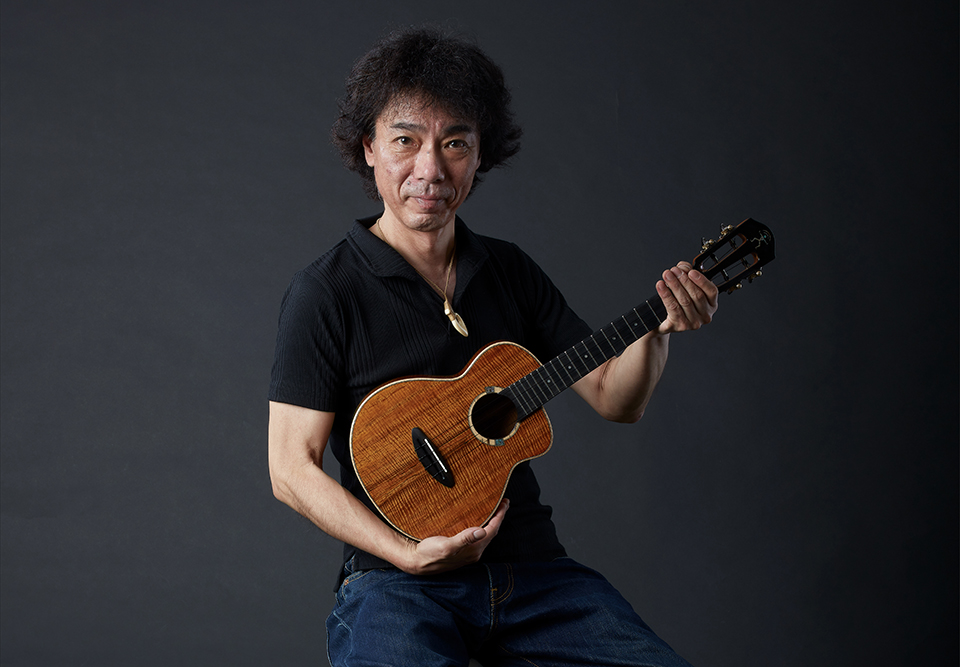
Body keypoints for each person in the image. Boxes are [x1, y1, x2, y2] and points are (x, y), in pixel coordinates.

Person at [268, 27, 717, 667]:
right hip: (396, 583)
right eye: (405, 141)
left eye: (455, 143)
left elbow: (616, 398)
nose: (430, 170)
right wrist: (405, 555)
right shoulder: (326, 291)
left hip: (533, 574)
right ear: (368, 148)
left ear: (480, 155)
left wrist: (656, 329)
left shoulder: (509, 270)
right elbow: (290, 470)